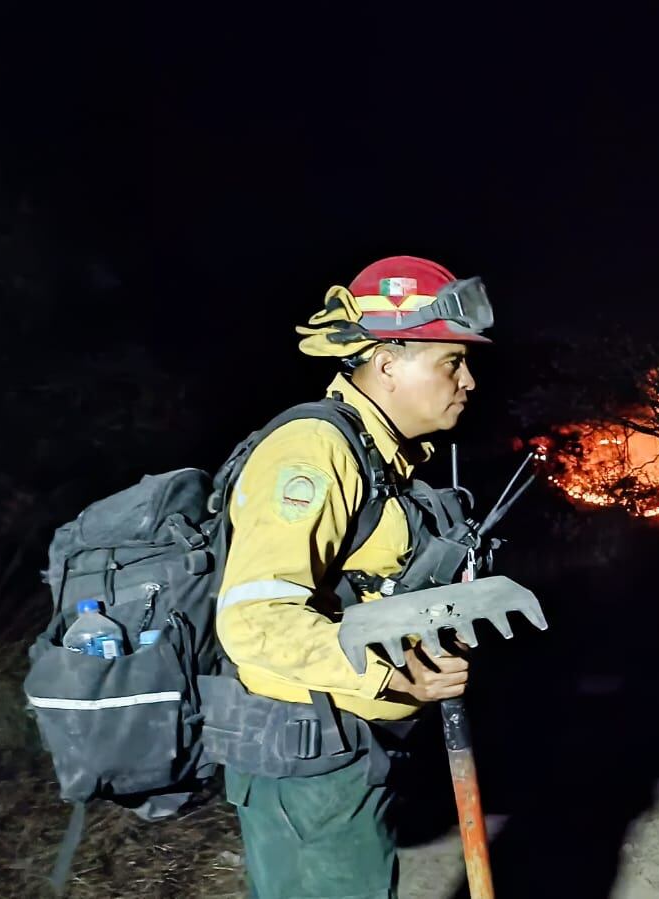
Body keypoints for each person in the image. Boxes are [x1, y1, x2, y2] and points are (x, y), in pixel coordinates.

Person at [214, 255, 493, 898]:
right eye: (452, 361)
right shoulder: (313, 452)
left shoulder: (382, 457)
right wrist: (391, 673)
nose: (469, 380)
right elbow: (255, 620)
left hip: (346, 752)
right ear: (388, 361)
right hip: (306, 763)